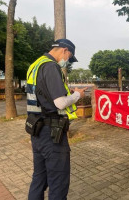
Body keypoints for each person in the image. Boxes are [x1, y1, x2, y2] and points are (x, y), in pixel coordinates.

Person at [26, 39, 87, 200]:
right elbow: (59, 102)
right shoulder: (51, 66)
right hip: (52, 134)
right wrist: (77, 95)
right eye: (69, 57)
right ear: (64, 50)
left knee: (39, 179)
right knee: (58, 183)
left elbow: (43, 95)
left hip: (36, 130)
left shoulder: (36, 65)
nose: (67, 61)